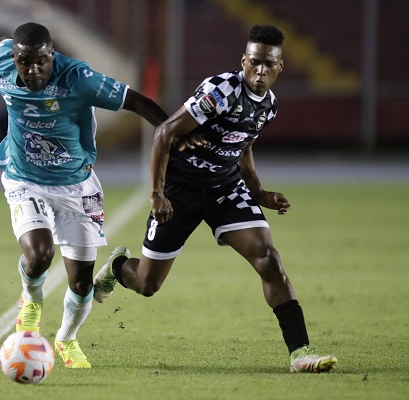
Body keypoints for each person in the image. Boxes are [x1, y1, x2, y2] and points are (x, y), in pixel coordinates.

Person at [93, 24, 338, 373]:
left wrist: (258, 192)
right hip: (180, 190)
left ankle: (300, 353)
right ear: (244, 61)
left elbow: (243, 145)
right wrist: (157, 193)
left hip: (225, 188)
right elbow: (164, 132)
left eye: (269, 64)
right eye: (255, 62)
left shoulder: (268, 106)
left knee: (268, 258)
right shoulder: (220, 90)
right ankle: (118, 267)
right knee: (147, 284)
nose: (261, 70)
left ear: (280, 67)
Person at [0, 22, 168, 369]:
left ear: (52, 55)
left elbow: (138, 102)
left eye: (41, 62)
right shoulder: (3, 60)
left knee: (80, 283)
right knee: (40, 254)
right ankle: (31, 302)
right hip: (24, 179)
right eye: (24, 62)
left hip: (77, 186)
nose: (33, 70)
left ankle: (65, 339)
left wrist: (174, 138)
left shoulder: (78, 78)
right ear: (15, 59)